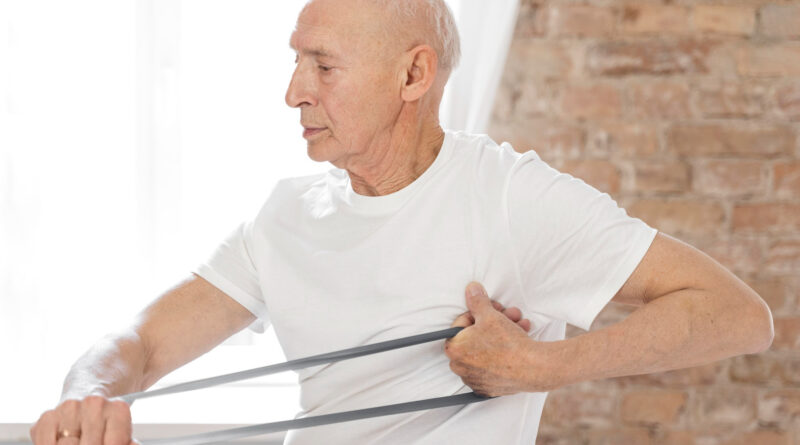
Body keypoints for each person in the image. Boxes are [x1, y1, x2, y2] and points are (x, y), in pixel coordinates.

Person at [31, 0, 774, 443]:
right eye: (295, 61)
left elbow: (739, 316)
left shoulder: (511, 196)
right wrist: (86, 395)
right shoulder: (285, 215)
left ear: (413, 75)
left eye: (324, 65)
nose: (294, 91)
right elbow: (141, 343)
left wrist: (541, 366)